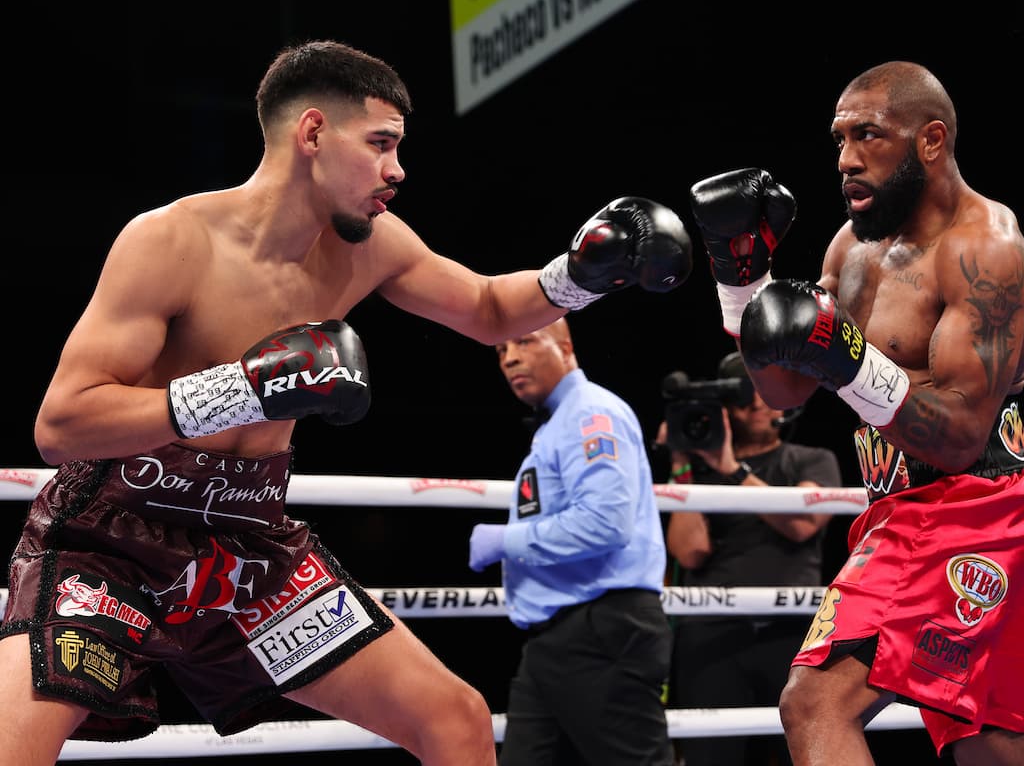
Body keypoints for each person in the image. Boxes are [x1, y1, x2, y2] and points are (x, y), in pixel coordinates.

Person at [0, 39, 691, 766]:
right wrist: (240, 388)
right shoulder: (172, 241)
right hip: (113, 541)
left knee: (454, 720)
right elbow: (62, 423)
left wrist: (581, 274)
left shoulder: (370, 244)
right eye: (381, 143)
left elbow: (488, 306)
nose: (398, 169)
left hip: (248, 548)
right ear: (313, 134)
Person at [689, 61, 1024, 765]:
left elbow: (961, 435)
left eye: (868, 135)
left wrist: (847, 359)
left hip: (969, 503)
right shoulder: (853, 249)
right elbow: (784, 392)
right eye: (839, 139)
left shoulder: (983, 248)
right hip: (900, 502)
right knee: (997, 757)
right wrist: (740, 275)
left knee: (814, 702)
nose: (845, 159)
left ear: (931, 140)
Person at [469, 317, 673, 766]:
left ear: (565, 346)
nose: (511, 358)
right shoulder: (558, 423)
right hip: (557, 638)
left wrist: (507, 540)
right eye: (501, 351)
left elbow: (605, 522)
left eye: (525, 341)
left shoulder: (589, 414)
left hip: (600, 632)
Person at [663, 350, 841, 766]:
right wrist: (681, 464)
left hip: (791, 636)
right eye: (744, 393)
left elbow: (803, 524)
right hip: (712, 635)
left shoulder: (811, 459)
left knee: (793, 753)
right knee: (710, 755)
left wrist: (734, 469)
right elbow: (690, 552)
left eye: (764, 390)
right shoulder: (699, 471)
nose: (757, 402)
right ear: (725, 407)